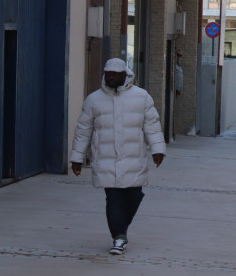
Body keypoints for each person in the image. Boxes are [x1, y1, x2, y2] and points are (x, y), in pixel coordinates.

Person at [70, 58, 166, 255]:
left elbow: (152, 125)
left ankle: (120, 228)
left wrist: (158, 149)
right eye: (108, 74)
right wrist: (77, 158)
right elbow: (83, 130)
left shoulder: (142, 97)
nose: (111, 77)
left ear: (125, 75)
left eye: (115, 74)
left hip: (134, 157)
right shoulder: (94, 100)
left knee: (134, 196)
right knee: (113, 198)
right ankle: (119, 236)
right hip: (105, 158)